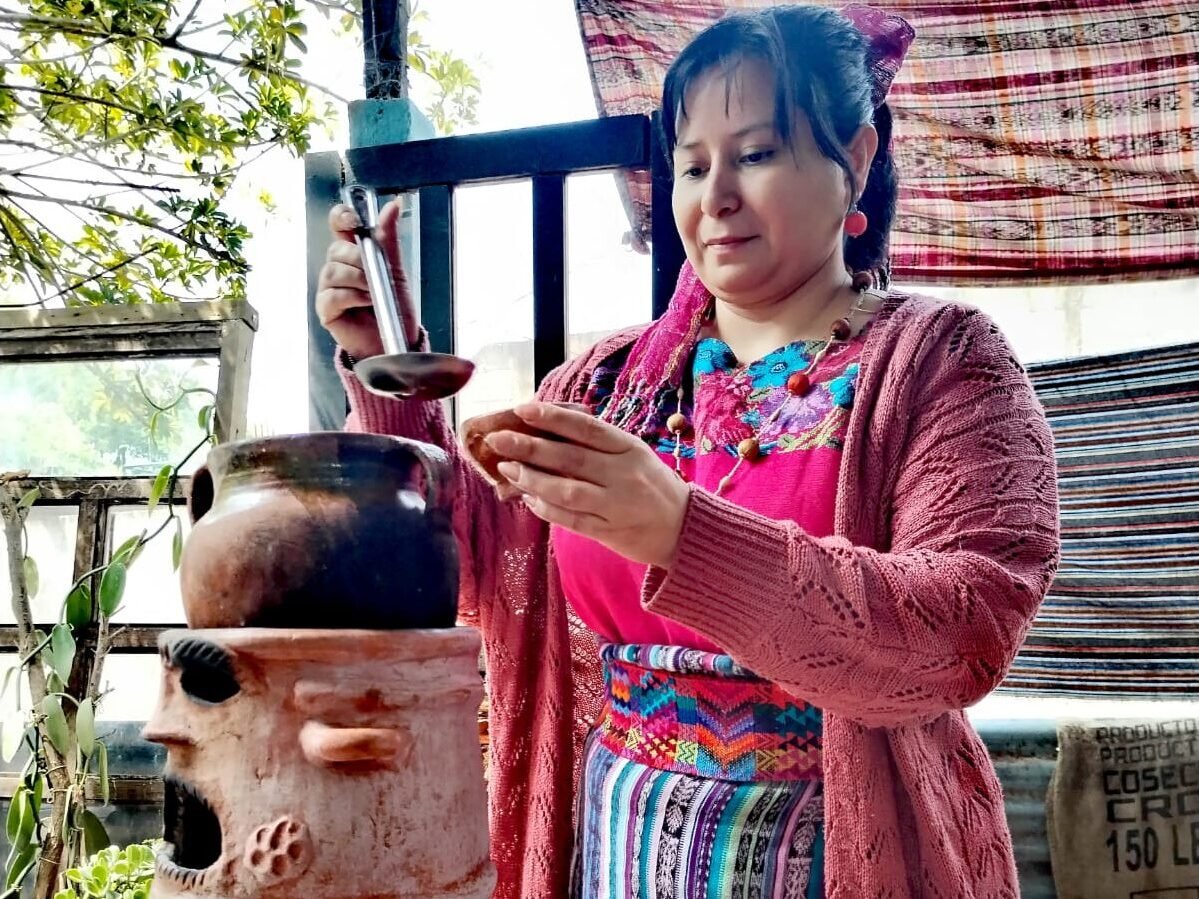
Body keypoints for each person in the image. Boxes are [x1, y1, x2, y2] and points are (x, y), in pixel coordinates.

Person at [314, 5, 1060, 897]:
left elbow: (964, 631)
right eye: (693, 164)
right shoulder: (602, 381)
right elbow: (471, 559)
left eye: (756, 153)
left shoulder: (944, 360)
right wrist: (382, 361)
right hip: (613, 846)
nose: (716, 197)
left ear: (856, 159)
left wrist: (682, 533)